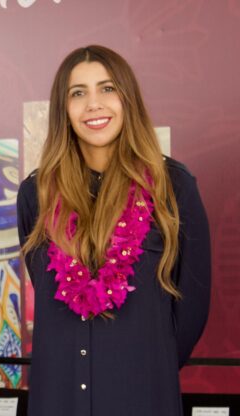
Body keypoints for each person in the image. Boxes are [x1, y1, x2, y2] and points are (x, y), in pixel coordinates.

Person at [17, 45, 211, 416]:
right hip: (58, 400)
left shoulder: (174, 187)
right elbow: (42, 286)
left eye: (107, 89)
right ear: (64, 110)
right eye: (78, 93)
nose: (94, 104)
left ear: (128, 99)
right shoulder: (36, 194)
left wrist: (142, 363)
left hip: (142, 396)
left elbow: (192, 312)